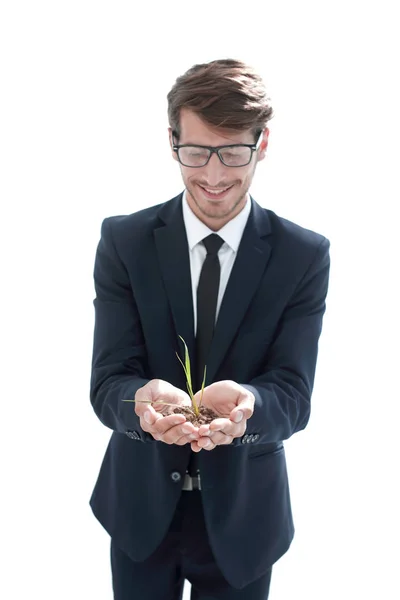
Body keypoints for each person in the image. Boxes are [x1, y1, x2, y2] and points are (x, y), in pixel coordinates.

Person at [89, 58, 330, 600]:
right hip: (140, 510)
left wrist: (247, 405)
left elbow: (293, 393)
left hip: (246, 517)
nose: (215, 175)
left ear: (262, 143)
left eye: (234, 153)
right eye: (197, 152)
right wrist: (143, 405)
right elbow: (108, 383)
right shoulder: (124, 243)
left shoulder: (304, 256)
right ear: (172, 141)